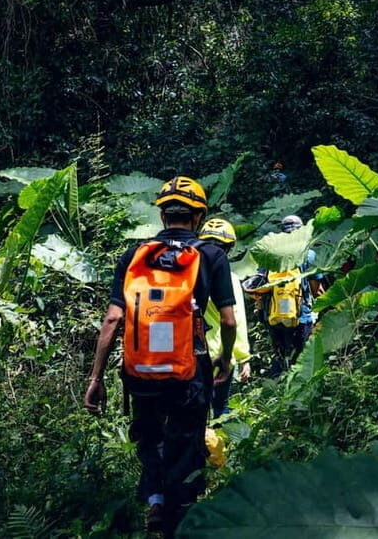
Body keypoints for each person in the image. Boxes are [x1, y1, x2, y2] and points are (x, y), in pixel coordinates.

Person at [83, 176, 236, 536]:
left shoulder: (134, 255)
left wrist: (96, 377)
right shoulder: (211, 254)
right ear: (198, 216)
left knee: (150, 437)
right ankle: (179, 520)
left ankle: (154, 503)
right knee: (186, 442)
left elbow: (113, 318)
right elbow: (228, 319)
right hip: (190, 369)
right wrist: (225, 357)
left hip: (141, 370)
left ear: (163, 215)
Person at [250, 214, 325, 377]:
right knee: (302, 358)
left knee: (281, 356)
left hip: (273, 315)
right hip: (301, 316)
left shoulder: (269, 257)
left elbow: (257, 286)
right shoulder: (309, 255)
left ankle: (275, 387)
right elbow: (316, 290)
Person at [197, 218, 252, 418]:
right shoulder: (230, 279)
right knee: (220, 410)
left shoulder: (188, 274)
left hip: (190, 354)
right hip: (221, 355)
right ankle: (222, 447)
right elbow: (234, 320)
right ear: (228, 249)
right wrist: (242, 357)